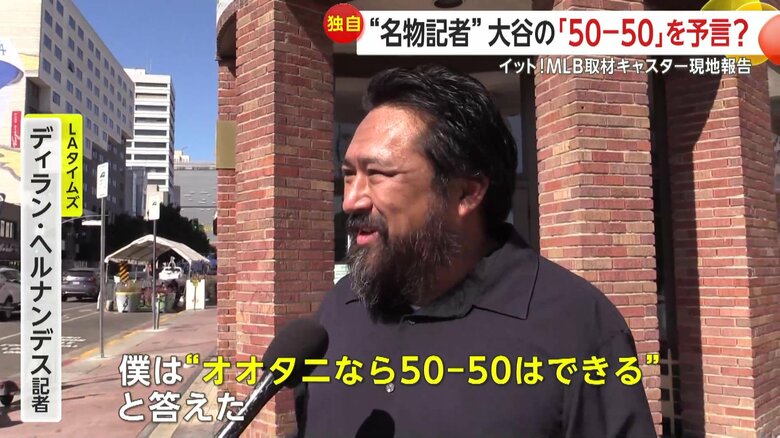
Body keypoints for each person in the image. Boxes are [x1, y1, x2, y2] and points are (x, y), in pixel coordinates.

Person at [293, 65, 656, 438]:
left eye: (379, 174)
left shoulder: (575, 326)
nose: (350, 201)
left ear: (466, 192)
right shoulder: (339, 310)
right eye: (349, 174)